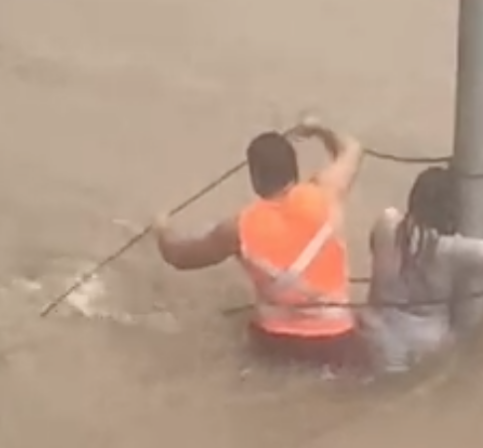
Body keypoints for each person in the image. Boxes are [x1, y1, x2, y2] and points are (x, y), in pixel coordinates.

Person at [154, 118, 367, 369]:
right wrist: (318, 129)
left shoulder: (236, 228)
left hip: (275, 342)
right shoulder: (327, 193)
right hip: (337, 338)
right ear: (294, 168)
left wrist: (161, 228)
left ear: (255, 178)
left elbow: (178, 257)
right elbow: (352, 148)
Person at [361, 166, 483, 374]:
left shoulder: (386, 222)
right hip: (421, 345)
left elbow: (374, 244)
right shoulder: (450, 249)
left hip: (372, 327)